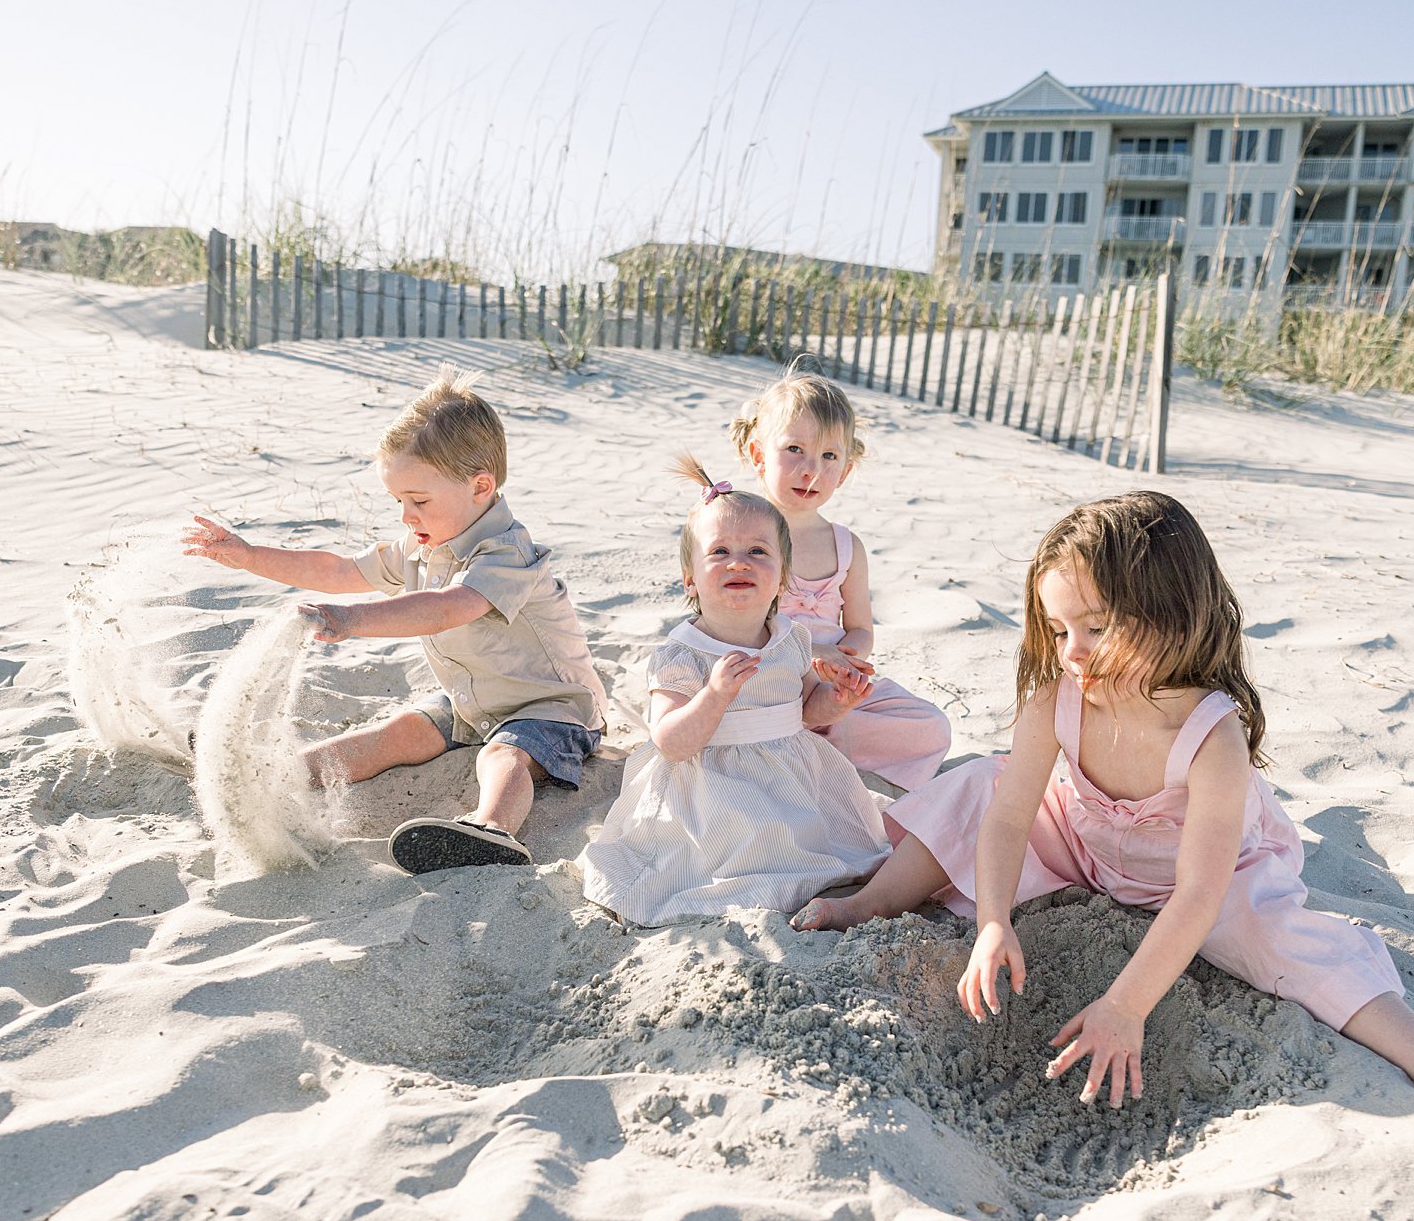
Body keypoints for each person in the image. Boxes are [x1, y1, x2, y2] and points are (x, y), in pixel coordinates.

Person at [793, 492, 1414, 1173]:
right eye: (1059, 629)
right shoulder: (1059, 695)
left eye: (1095, 627)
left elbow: (1201, 894)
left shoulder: (1211, 732)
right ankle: (870, 902)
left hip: (1207, 873)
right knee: (974, 783)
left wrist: (1125, 1005)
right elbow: (1006, 817)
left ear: (1168, 612)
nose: (1074, 653)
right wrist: (994, 919)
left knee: (1291, 949)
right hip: (1085, 839)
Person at [182, 365, 606, 874]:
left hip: (551, 707)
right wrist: (251, 556)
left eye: (419, 501)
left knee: (505, 754)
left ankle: (491, 829)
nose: (407, 515)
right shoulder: (420, 546)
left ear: (480, 485)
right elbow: (337, 569)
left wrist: (353, 619)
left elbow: (448, 608)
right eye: (398, 501)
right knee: (400, 732)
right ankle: (275, 772)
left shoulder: (507, 555)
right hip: (474, 700)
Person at [580, 457, 888, 925]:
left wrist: (837, 701)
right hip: (711, 783)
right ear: (690, 580)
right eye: (719, 551)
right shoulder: (682, 654)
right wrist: (714, 696)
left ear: (782, 579)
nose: (738, 561)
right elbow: (670, 742)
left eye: (758, 552)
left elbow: (806, 711)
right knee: (746, 836)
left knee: (815, 837)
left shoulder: (789, 639)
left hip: (787, 771)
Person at [729, 371, 951, 790]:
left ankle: (823, 737)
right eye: (794, 449)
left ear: (846, 471)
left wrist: (847, 660)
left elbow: (860, 627)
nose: (811, 470)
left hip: (830, 683)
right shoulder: (744, 534)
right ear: (759, 456)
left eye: (829, 456)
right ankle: (803, 737)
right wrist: (816, 651)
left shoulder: (847, 546)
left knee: (932, 726)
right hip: (769, 675)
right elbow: (740, 627)